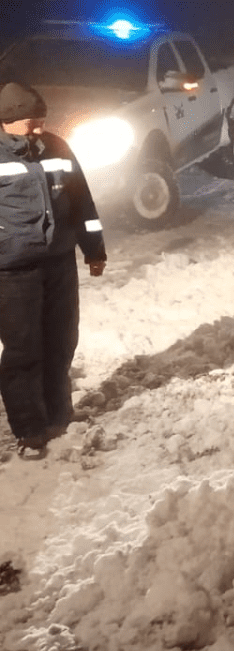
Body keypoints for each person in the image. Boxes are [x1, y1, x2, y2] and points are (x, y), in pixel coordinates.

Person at [0, 81, 106, 457]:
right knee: (23, 350)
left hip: (59, 263)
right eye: (30, 123)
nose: (38, 129)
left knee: (61, 342)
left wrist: (94, 249)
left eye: (42, 121)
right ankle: (30, 430)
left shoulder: (57, 147)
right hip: (12, 271)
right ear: (7, 120)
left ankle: (59, 416)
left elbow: (83, 204)